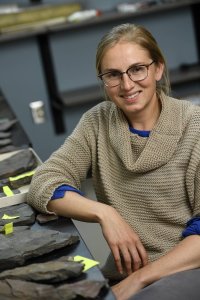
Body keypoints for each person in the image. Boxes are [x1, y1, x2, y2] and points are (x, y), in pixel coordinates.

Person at [27, 23, 200, 300]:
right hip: (125, 271)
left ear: (158, 68)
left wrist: (140, 279)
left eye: (137, 69)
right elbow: (44, 183)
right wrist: (106, 214)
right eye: (113, 75)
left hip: (185, 269)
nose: (127, 84)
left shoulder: (195, 126)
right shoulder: (97, 121)